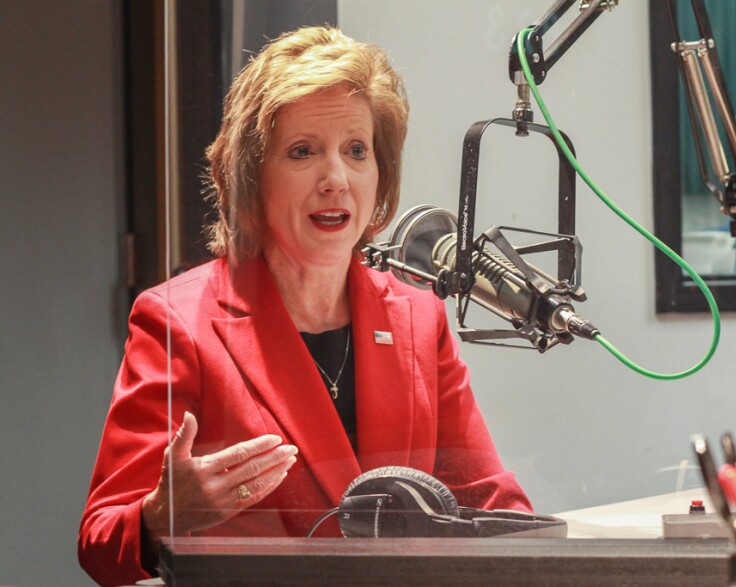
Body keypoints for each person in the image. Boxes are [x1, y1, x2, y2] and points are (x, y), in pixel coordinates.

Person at [78, 26, 533, 586]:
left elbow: (490, 504)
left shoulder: (418, 319)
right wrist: (159, 518)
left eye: (356, 151)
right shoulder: (177, 321)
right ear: (251, 178)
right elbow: (100, 543)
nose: (336, 179)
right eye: (303, 152)